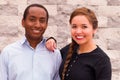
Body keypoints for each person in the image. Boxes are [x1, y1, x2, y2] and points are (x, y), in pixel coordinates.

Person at [46, 7, 112, 80]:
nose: (78, 31)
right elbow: (49, 61)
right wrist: (51, 40)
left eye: (84, 27)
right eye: (74, 26)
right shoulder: (68, 49)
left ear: (94, 29)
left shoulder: (102, 60)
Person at [0, 4, 62, 80]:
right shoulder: (8, 52)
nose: (37, 25)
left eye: (42, 21)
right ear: (23, 22)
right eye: (32, 19)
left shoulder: (55, 54)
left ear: (46, 24)